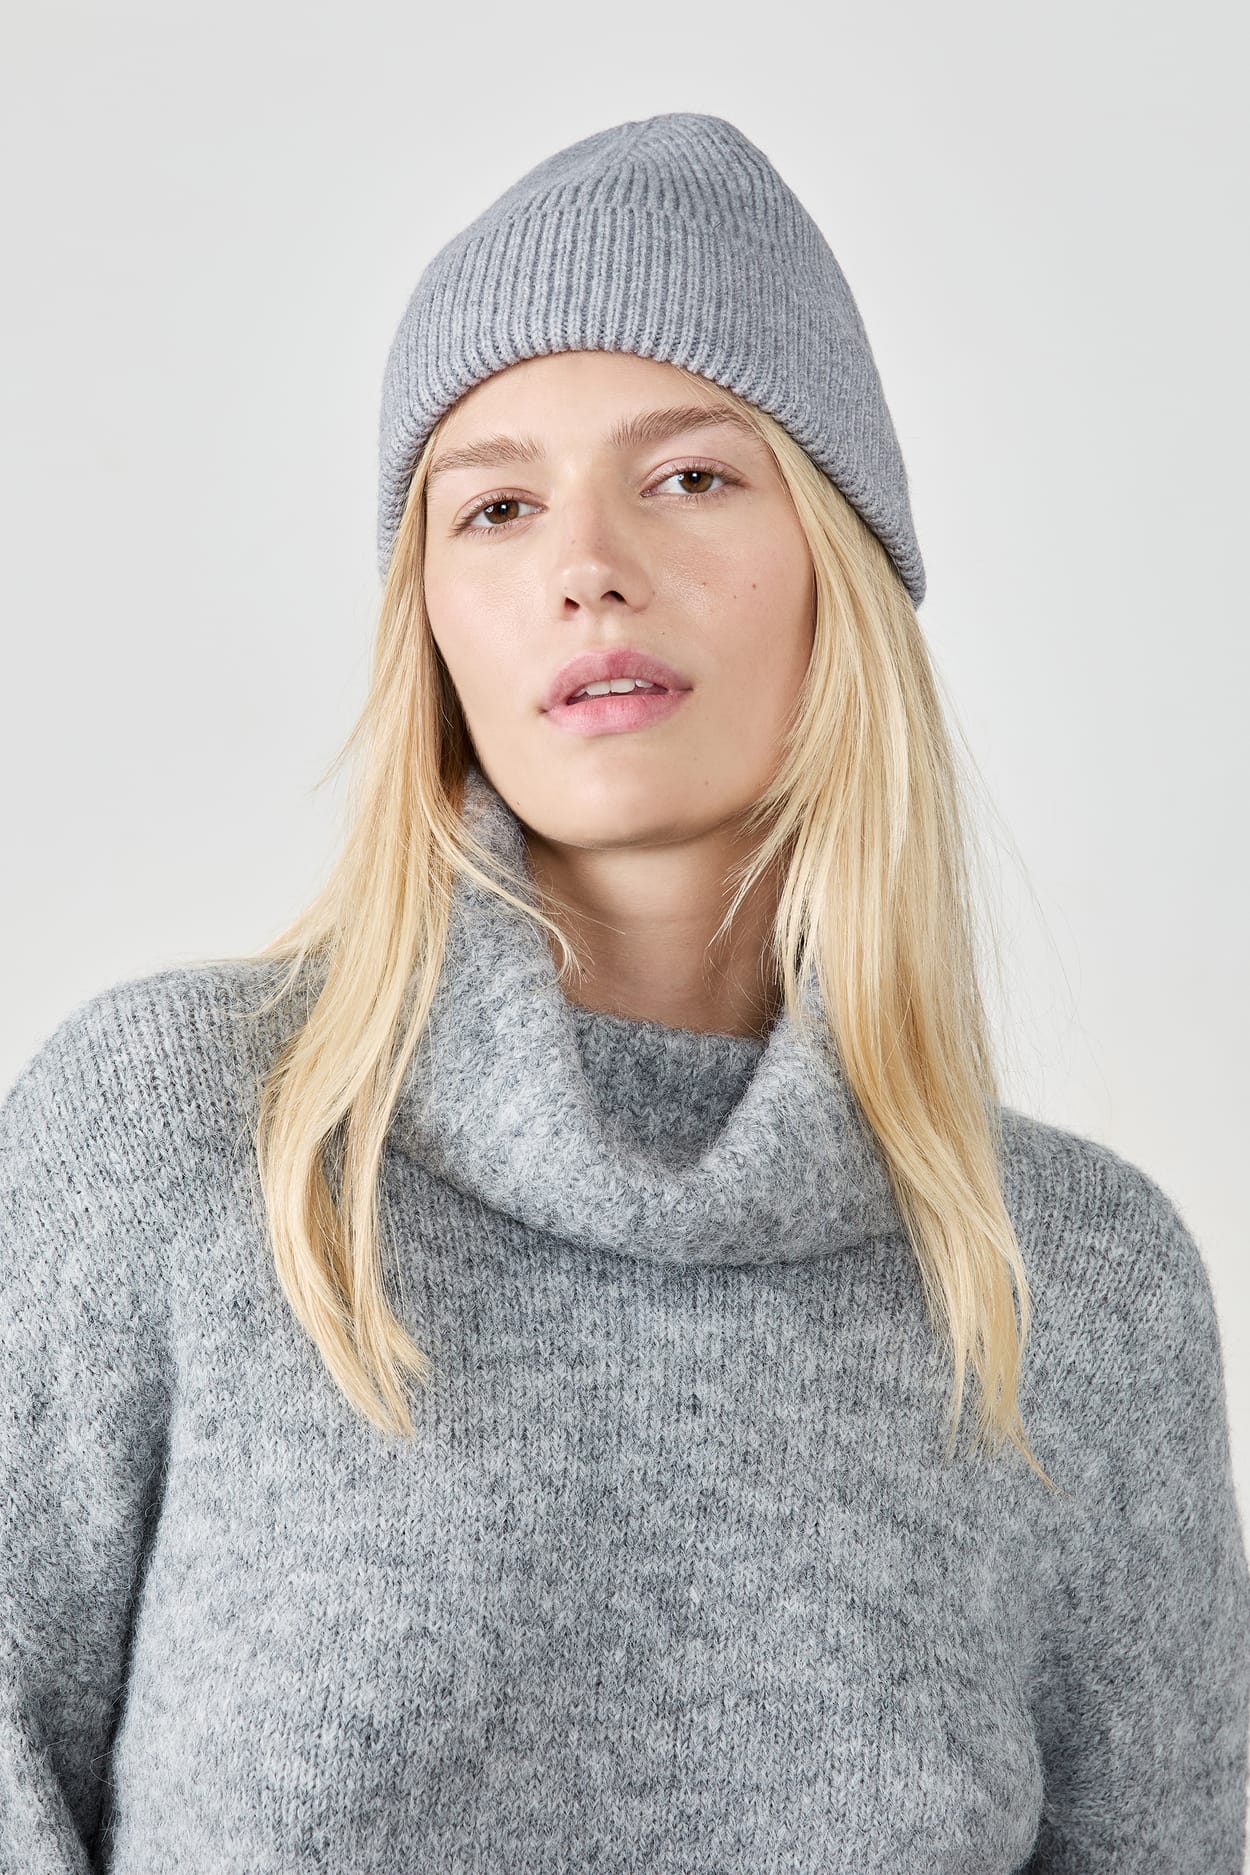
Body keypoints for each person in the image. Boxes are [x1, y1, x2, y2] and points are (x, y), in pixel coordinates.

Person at [1, 111, 1246, 1874]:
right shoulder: (182, 1141)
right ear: (431, 618)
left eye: (690, 478)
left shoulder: (1077, 1291)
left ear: (840, 563)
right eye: (495, 507)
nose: (584, 563)